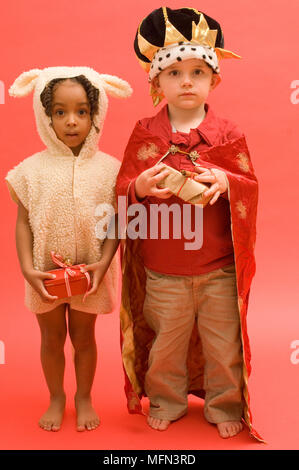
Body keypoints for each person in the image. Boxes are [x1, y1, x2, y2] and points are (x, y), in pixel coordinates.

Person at [116, 7, 263, 441]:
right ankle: (165, 399)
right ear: (156, 83)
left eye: (198, 71)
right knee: (166, 345)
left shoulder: (227, 134)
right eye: (174, 72)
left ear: (214, 80)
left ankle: (224, 403)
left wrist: (224, 180)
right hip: (164, 272)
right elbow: (123, 187)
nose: (186, 81)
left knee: (223, 345)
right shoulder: (146, 133)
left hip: (218, 268)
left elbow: (249, 186)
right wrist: (142, 185)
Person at [6, 66, 132, 432]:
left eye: (82, 111)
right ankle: (56, 396)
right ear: (45, 115)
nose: (71, 121)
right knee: (51, 338)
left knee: (84, 338)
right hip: (44, 275)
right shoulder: (30, 171)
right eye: (60, 112)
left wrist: (104, 263)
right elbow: (22, 224)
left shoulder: (110, 170)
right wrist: (28, 269)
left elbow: (116, 223)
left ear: (97, 113)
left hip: (90, 276)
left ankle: (84, 396)